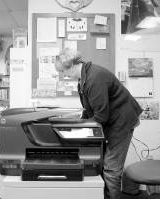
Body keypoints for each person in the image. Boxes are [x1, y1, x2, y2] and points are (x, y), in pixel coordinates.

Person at [54, 48, 143, 199]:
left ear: (73, 65)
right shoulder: (84, 78)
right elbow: (91, 108)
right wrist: (79, 120)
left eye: (63, 71)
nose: (63, 76)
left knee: (111, 169)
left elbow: (101, 116)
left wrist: (79, 130)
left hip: (121, 122)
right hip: (112, 121)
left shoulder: (94, 78)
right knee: (100, 162)